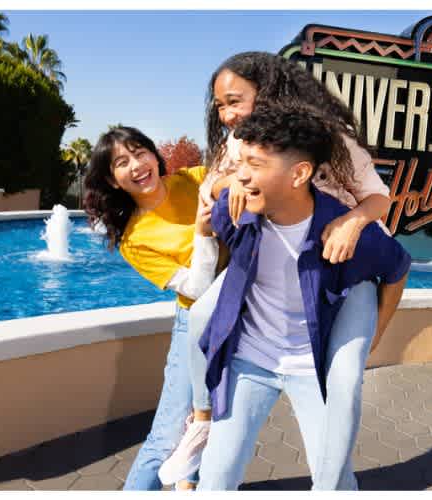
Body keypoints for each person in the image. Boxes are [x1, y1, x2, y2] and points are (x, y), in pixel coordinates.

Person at [157, 51, 395, 490]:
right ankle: (202, 419)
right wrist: (229, 183)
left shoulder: (331, 139)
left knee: (342, 380)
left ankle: (331, 479)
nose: (226, 115)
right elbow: (215, 187)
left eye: (235, 101)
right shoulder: (242, 144)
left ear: (268, 92)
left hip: (342, 261)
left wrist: (350, 220)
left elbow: (380, 201)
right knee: (202, 316)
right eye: (220, 107)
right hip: (275, 261)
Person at [195, 103, 410, 490]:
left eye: (256, 164)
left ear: (299, 173)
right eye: (240, 161)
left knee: (333, 481)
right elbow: (220, 243)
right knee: (215, 477)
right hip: (250, 359)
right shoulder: (237, 210)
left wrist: (375, 334)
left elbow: (398, 269)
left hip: (312, 368)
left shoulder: (346, 232)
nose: (240, 175)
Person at [82, 126, 220, 491]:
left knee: (214, 425)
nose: (137, 165)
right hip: (195, 323)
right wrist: (203, 233)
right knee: (168, 436)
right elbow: (196, 288)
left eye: (140, 152)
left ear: (154, 156)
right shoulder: (134, 238)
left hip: (240, 312)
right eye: (122, 162)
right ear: (112, 181)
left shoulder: (193, 180)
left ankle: (189, 484)